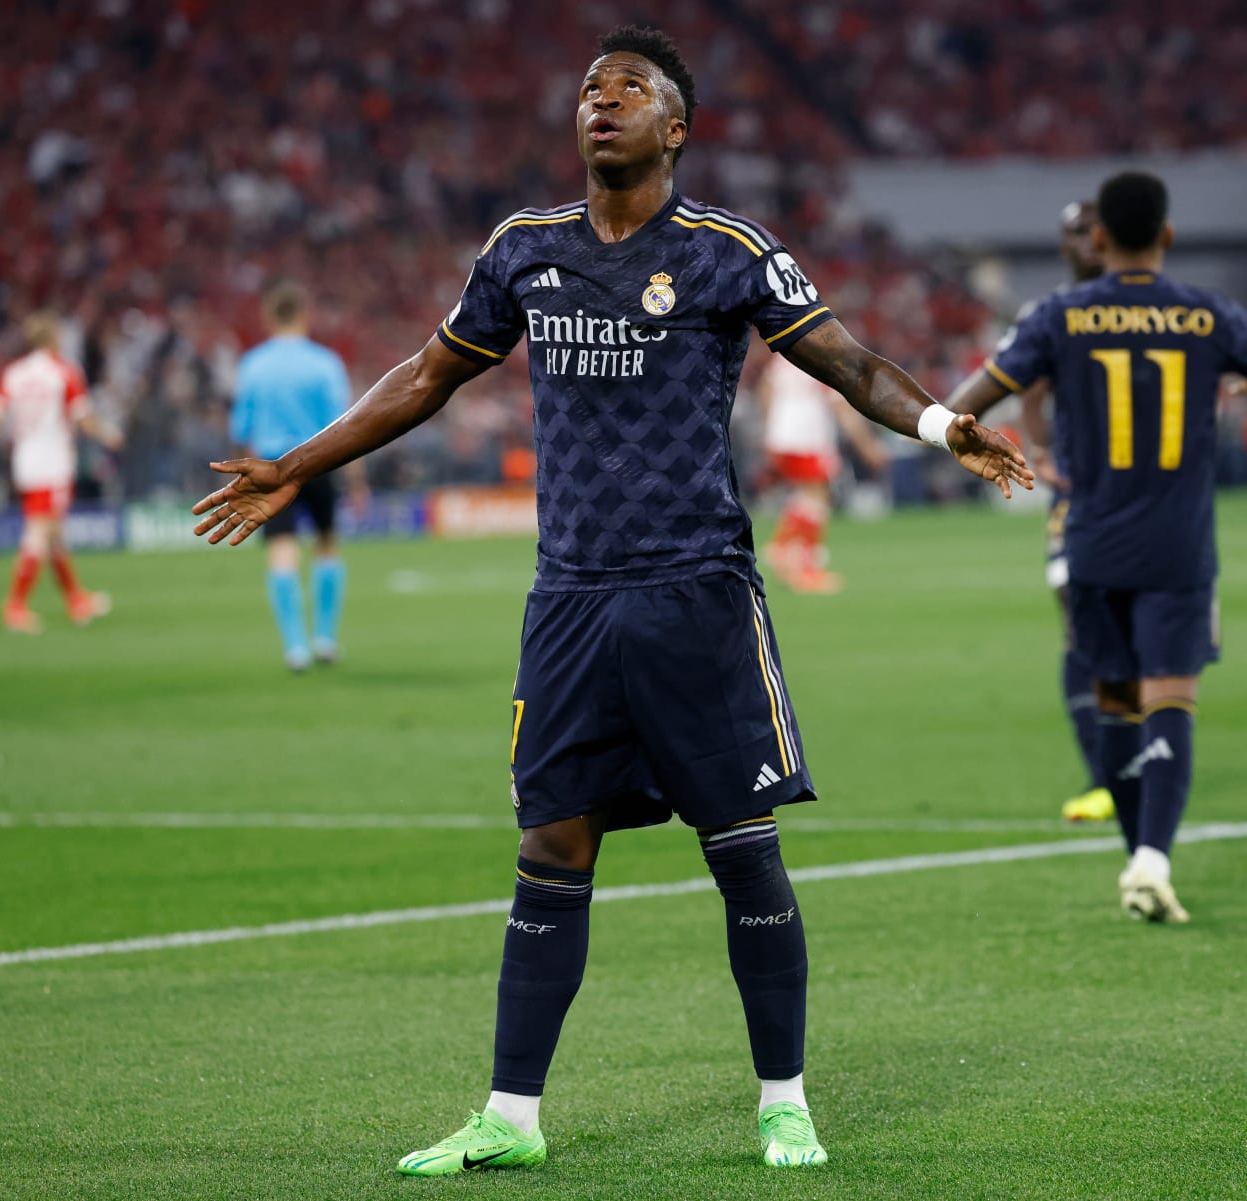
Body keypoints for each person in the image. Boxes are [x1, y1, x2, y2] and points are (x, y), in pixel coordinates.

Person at [191, 26, 1030, 1175]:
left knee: (740, 844)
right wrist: (301, 461)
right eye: (591, 87)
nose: (603, 101)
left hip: (697, 591)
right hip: (572, 597)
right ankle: (511, 1116)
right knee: (551, 845)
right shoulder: (524, 250)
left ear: (674, 127)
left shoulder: (731, 251)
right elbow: (427, 376)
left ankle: (784, 1100)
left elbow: (849, 364)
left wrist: (940, 423)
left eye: (630, 89)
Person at [944, 171, 1247, 923]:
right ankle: (1152, 857)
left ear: (1101, 239)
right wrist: (1239, 384)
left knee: (1114, 702)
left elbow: (966, 405)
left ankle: (1135, 855)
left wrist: (984, 443)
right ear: (1168, 236)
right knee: (1171, 696)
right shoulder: (1208, 316)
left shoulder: (1060, 316)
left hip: (1092, 539)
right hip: (1180, 544)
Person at [979, 200, 1116, 823]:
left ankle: (1140, 752)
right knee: (1075, 614)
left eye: (1091, 230)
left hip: (1147, 495)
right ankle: (1103, 775)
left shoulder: (1145, 308)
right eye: (1071, 234)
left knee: (1136, 629)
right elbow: (1026, 385)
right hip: (1078, 492)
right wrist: (1038, 449)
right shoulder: (1050, 315)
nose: (1083, 242)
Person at [230, 283, 362, 670]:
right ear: (304, 316)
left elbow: (242, 430)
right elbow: (346, 426)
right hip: (317, 462)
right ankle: (325, 639)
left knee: (282, 551)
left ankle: (295, 648)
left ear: (269, 319)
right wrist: (356, 479)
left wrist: (245, 479)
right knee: (326, 544)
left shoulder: (253, 365)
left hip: (273, 466)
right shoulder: (324, 363)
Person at [0, 311, 119, 633]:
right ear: (53, 338)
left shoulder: (13, 373)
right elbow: (83, 418)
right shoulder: (63, 372)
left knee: (55, 535)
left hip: (24, 463)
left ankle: (76, 599)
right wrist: (109, 435)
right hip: (53, 462)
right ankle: (15, 606)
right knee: (40, 532)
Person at [756, 354, 886, 594]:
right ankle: (805, 568)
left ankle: (781, 550)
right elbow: (840, 407)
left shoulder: (787, 355)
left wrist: (769, 427)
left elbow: (766, 387)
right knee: (817, 497)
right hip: (806, 438)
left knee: (808, 496)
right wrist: (867, 446)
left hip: (782, 436)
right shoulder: (825, 360)